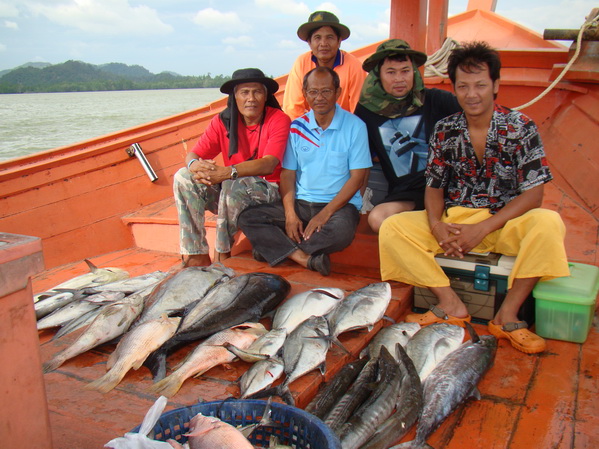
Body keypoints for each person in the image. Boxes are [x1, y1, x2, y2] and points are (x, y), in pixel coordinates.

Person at [378, 41, 570, 354]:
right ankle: (450, 304)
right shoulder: (445, 129)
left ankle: (506, 316)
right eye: (463, 86)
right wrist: (436, 224)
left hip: (504, 222)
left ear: (495, 85)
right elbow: (434, 186)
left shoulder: (521, 127)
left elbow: (534, 194)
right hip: (456, 221)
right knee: (392, 228)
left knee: (548, 223)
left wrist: (483, 228)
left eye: (480, 85)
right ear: (454, 88)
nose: (471, 94)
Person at [238, 66, 372, 276]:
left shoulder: (355, 126)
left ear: (337, 92)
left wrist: (324, 215)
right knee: (248, 217)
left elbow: (357, 178)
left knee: (341, 232)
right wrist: (290, 215)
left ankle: (274, 250)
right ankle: (303, 258)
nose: (320, 97)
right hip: (302, 204)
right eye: (313, 92)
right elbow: (288, 174)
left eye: (326, 91)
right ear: (305, 94)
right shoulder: (297, 127)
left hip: (338, 207)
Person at [174, 68, 291, 266]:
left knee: (232, 184)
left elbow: (269, 164)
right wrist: (195, 166)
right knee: (183, 177)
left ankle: (223, 252)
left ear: (266, 96)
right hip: (232, 190)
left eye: (257, 92)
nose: (251, 98)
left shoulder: (278, 119)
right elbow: (193, 155)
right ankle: (196, 253)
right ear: (234, 96)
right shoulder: (222, 121)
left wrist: (228, 172)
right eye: (244, 92)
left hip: (269, 192)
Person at [355, 39, 461, 232]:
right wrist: (356, 204)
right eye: (391, 72)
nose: (399, 79)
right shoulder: (366, 112)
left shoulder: (437, 100)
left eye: (405, 71)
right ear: (378, 75)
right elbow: (361, 162)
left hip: (447, 187)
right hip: (408, 195)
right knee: (378, 219)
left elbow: (476, 119)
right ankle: (431, 228)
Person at [283, 11, 366, 120]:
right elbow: (293, 109)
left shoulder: (354, 66)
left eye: (329, 37)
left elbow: (359, 110)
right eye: (317, 38)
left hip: (344, 128)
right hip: (309, 129)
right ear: (309, 42)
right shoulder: (301, 62)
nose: (323, 43)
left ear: (339, 41)